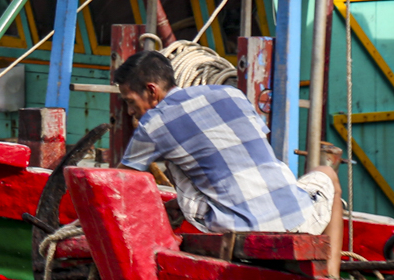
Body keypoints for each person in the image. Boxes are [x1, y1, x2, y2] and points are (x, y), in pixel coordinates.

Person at [115, 49, 342, 234]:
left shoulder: (154, 124)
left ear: (151, 91)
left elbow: (119, 182)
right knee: (328, 175)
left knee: (175, 161)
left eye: (130, 101)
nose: (130, 111)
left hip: (238, 227)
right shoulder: (232, 94)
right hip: (298, 218)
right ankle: (331, 275)